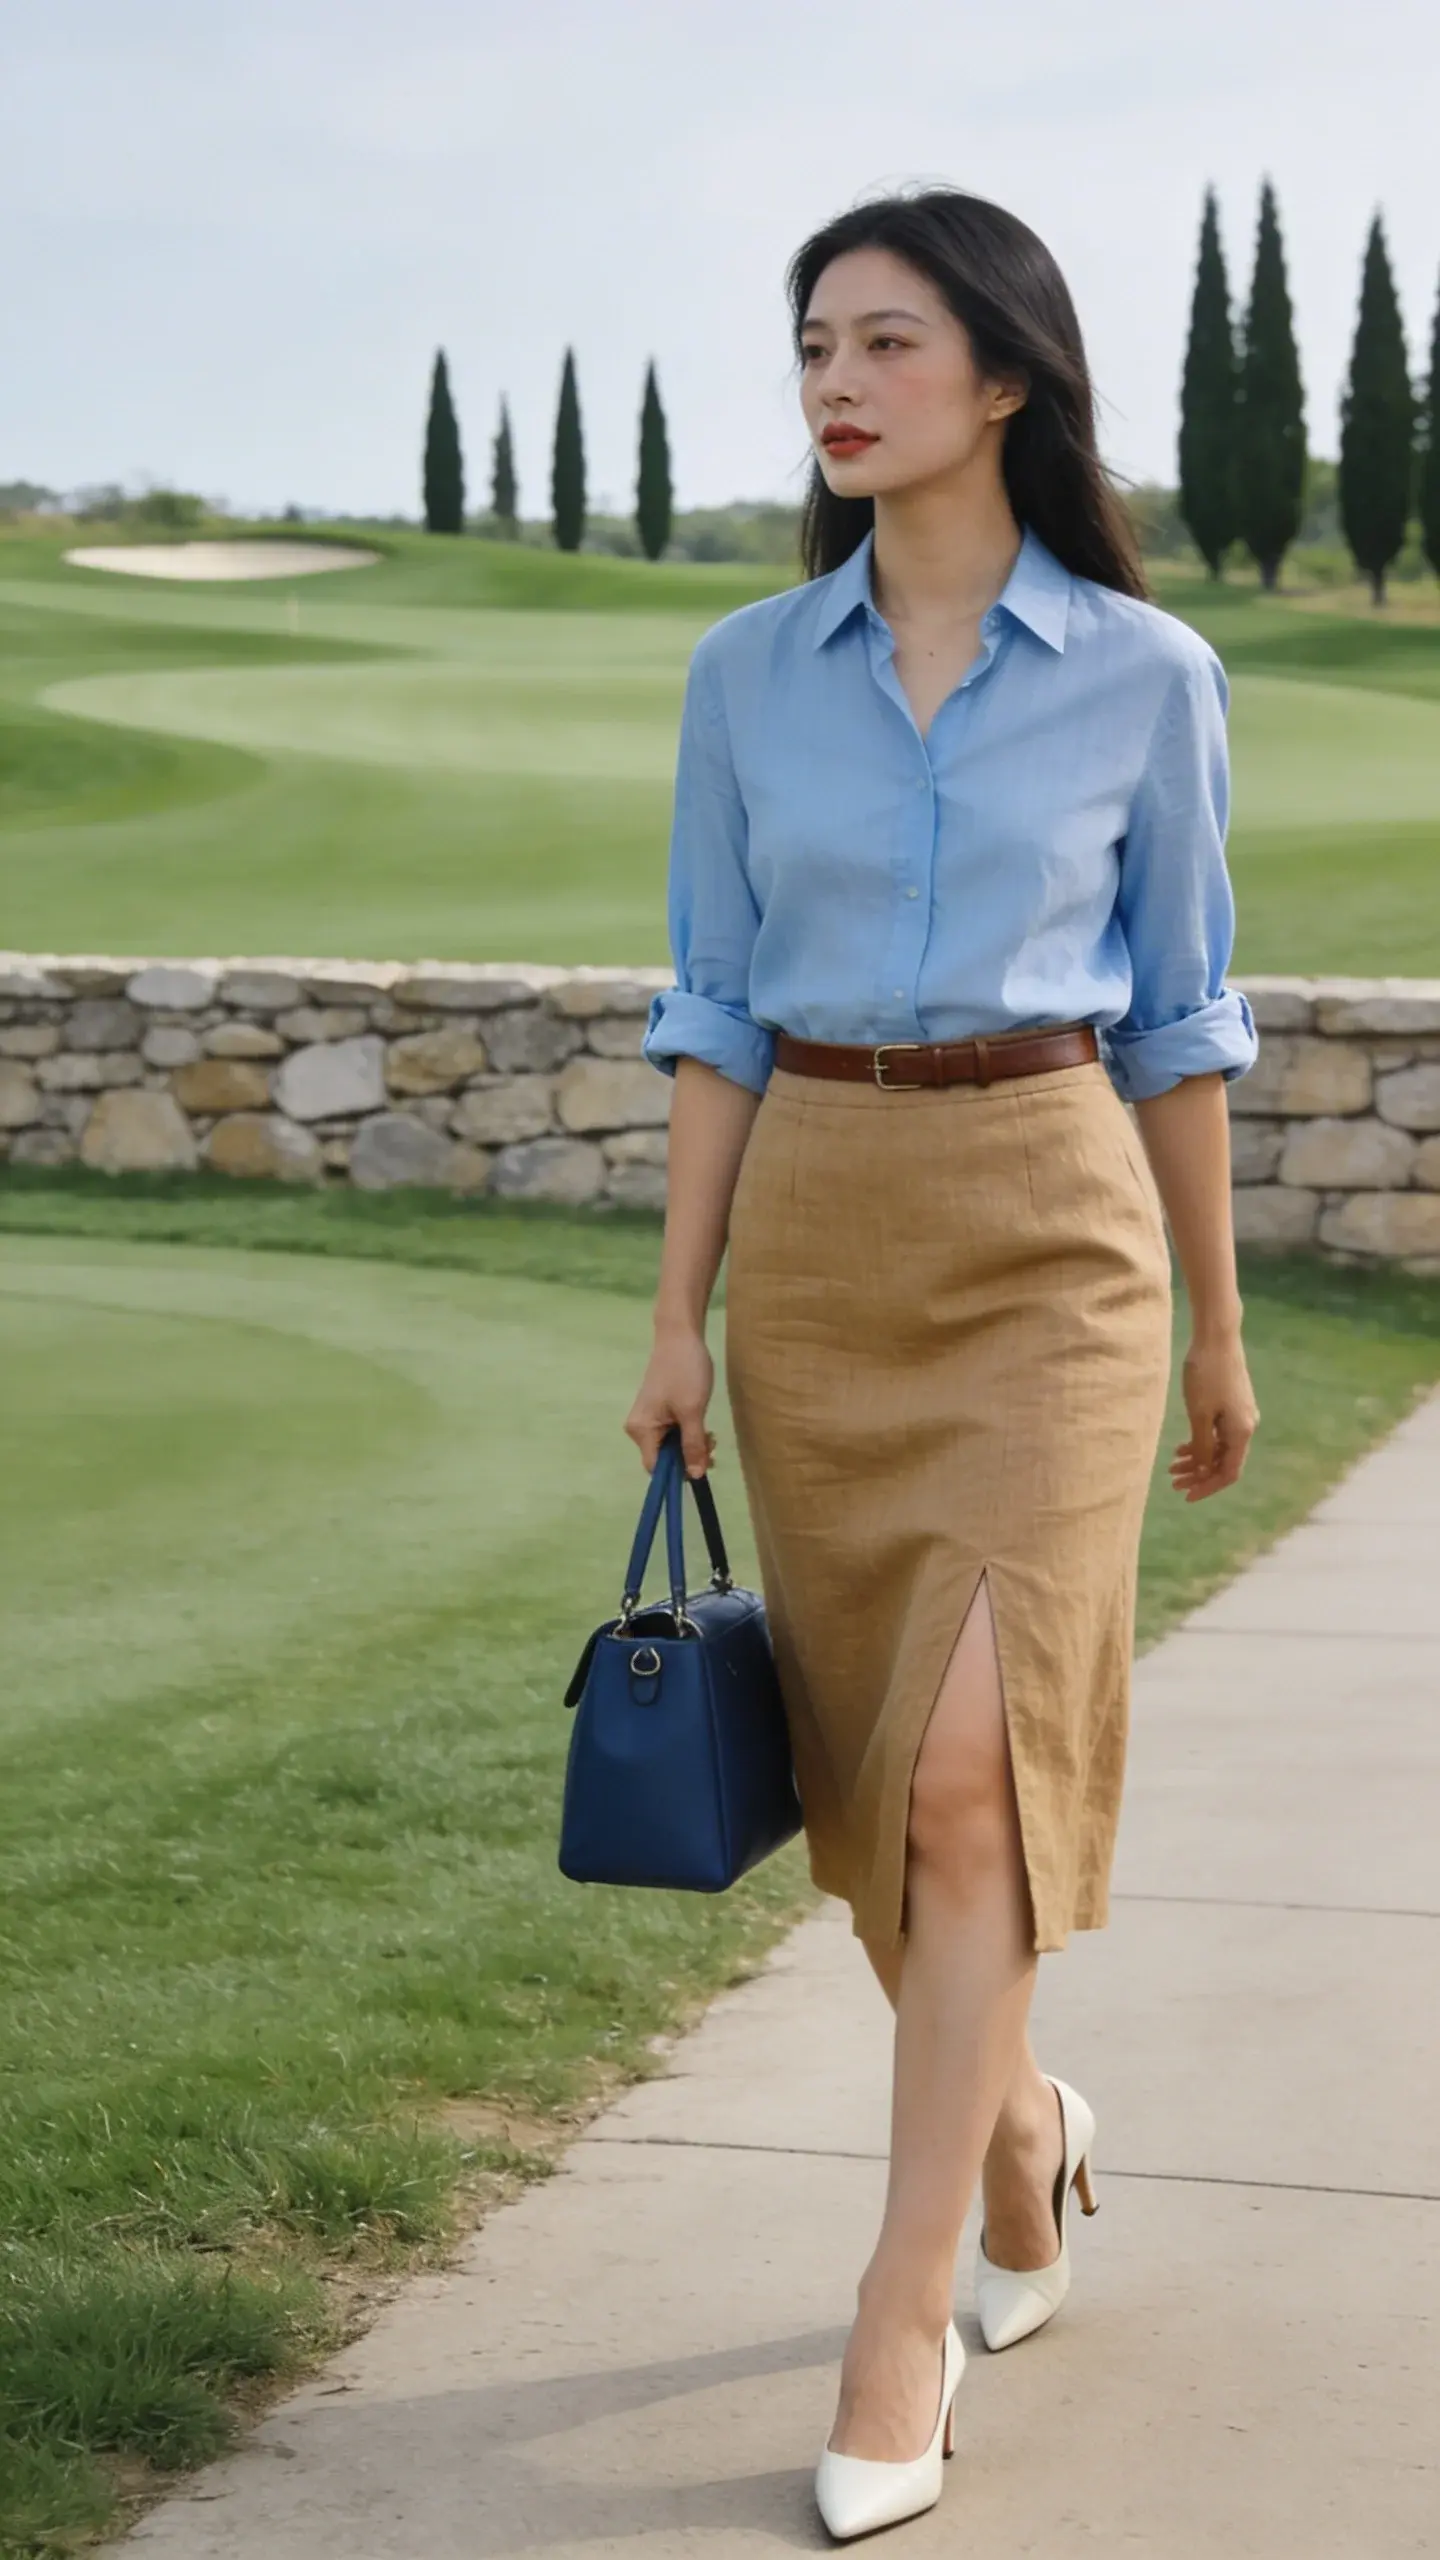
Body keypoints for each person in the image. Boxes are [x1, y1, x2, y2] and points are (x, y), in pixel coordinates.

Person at [624, 185, 1260, 2542]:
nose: (835, 380)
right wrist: (673, 1311)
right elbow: (708, 1005)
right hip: (815, 1236)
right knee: (900, 1790)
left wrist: (1212, 1319)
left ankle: (902, 2299)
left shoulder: (1147, 673)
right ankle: (1023, 2133)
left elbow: (1185, 1018)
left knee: (981, 1761)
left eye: (886, 337)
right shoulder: (740, 674)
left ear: (1003, 374)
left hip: (1053, 1230)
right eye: (812, 343)